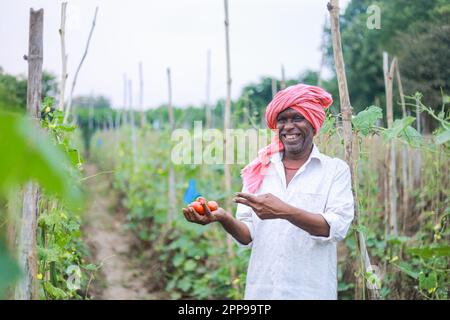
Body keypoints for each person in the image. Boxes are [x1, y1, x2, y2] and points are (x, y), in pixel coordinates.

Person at [182, 84, 354, 300]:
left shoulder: (334, 170)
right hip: (262, 292)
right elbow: (248, 235)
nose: (288, 126)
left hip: (311, 291)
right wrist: (223, 217)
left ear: (313, 122)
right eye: (282, 120)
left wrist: (285, 211)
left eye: (297, 118)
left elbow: (336, 228)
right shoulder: (259, 168)